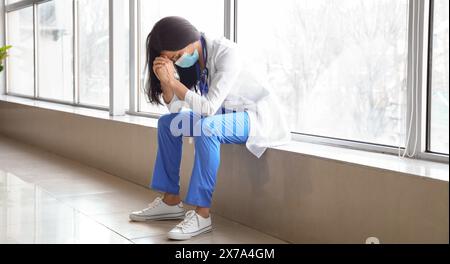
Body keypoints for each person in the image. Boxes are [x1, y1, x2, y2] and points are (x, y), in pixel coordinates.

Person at [129, 16, 290, 241]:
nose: (177, 62)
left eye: (176, 56)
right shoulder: (194, 58)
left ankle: (202, 213)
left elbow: (208, 107)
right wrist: (166, 84)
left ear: (189, 39)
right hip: (221, 115)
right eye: (171, 60)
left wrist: (174, 83)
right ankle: (171, 200)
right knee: (167, 124)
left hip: (253, 115)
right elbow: (175, 111)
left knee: (207, 128)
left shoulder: (227, 53)